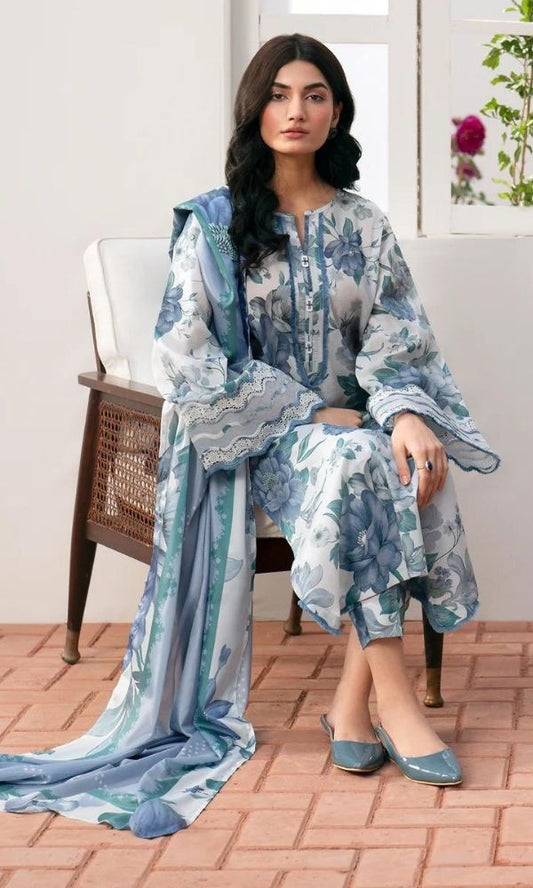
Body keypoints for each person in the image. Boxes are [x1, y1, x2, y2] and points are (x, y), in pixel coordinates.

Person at [0, 33, 499, 837]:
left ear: (336, 112)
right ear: (253, 108)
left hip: (355, 432)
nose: (295, 110)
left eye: (313, 95)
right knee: (360, 458)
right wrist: (304, 411)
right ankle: (394, 698)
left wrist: (405, 412)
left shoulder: (364, 224)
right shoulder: (217, 223)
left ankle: (350, 705)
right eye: (278, 94)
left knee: (392, 457)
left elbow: (396, 337)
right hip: (254, 442)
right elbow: (184, 353)